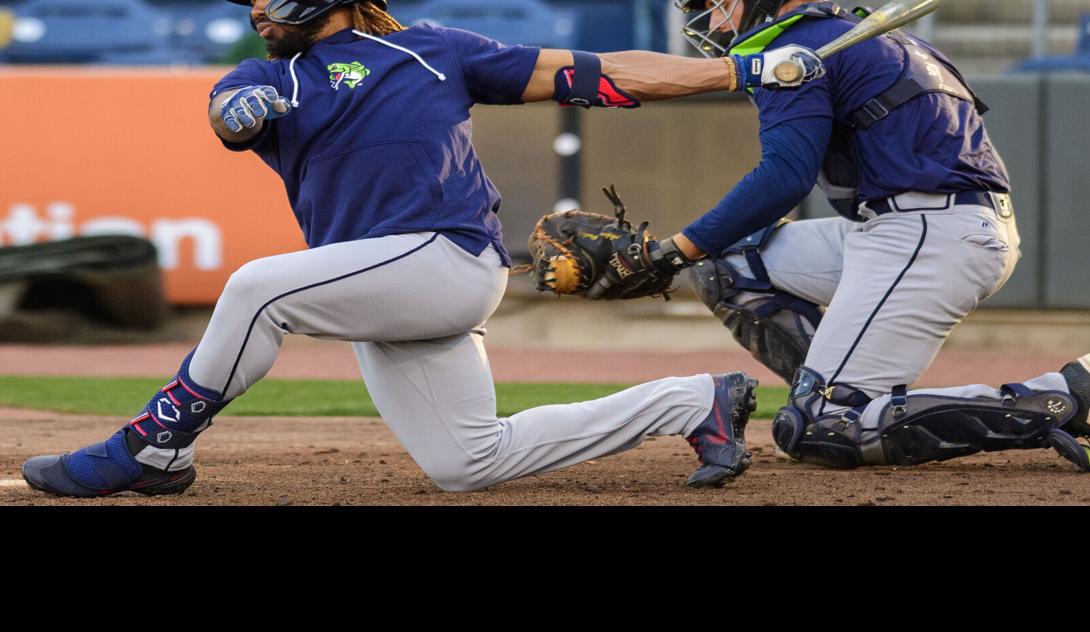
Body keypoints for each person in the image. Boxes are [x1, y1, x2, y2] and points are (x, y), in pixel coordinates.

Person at [21, 0, 826, 497]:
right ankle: (693, 403)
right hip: (383, 285)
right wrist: (242, 110)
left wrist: (741, 70)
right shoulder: (257, 74)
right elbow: (229, 114)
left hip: (442, 258)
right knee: (466, 463)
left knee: (257, 287)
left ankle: (154, 448)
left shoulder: (435, 50)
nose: (255, 10)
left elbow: (610, 71)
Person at [641, 0, 1090, 472]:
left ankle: (1060, 398)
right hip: (912, 226)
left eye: (715, 3)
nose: (709, 18)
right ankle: (833, 396)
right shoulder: (858, 34)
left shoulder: (797, 45)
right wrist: (694, 251)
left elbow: (785, 177)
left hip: (929, 231)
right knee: (733, 264)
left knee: (821, 431)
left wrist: (673, 251)